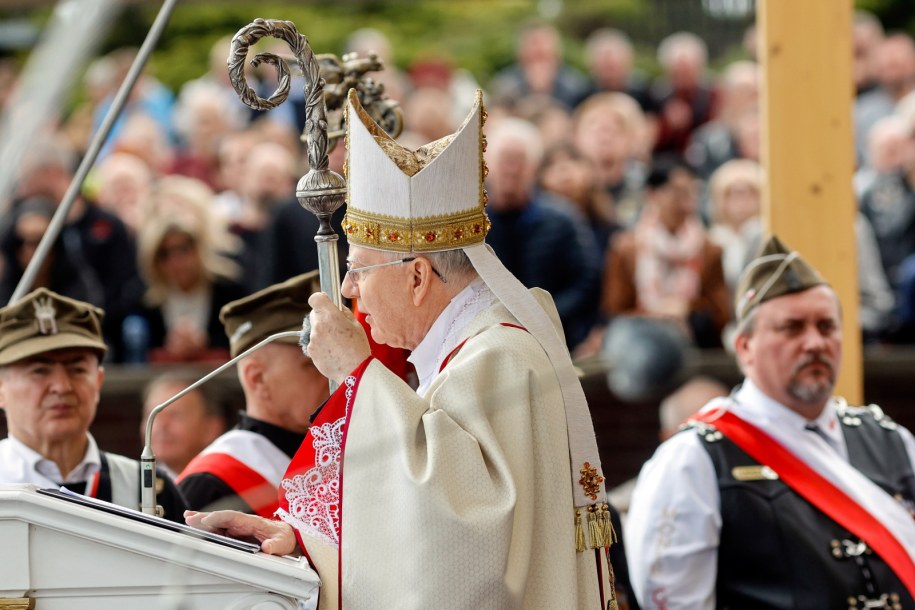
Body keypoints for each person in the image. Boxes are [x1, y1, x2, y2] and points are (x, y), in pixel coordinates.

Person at [187, 89, 619, 609]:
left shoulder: (497, 361)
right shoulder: (474, 352)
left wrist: (357, 372)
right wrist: (302, 543)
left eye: (357, 268)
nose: (348, 290)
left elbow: (464, 547)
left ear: (417, 277)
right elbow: (421, 524)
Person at [626, 235, 915, 609]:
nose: (815, 343)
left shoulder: (890, 439)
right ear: (745, 347)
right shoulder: (693, 458)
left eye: (826, 327)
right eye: (792, 328)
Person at [0, 288, 186, 521]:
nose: (62, 386)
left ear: (98, 382)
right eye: (39, 371)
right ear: (1, 389)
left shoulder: (148, 491)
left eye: (76, 369)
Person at [178, 271, 328, 517]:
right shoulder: (209, 484)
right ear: (256, 378)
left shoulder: (329, 451)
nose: (328, 372)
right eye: (311, 363)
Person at [140, 372, 226, 479]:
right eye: (152, 415)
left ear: (210, 429)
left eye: (175, 415)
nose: (161, 425)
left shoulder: (227, 485)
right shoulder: (130, 486)